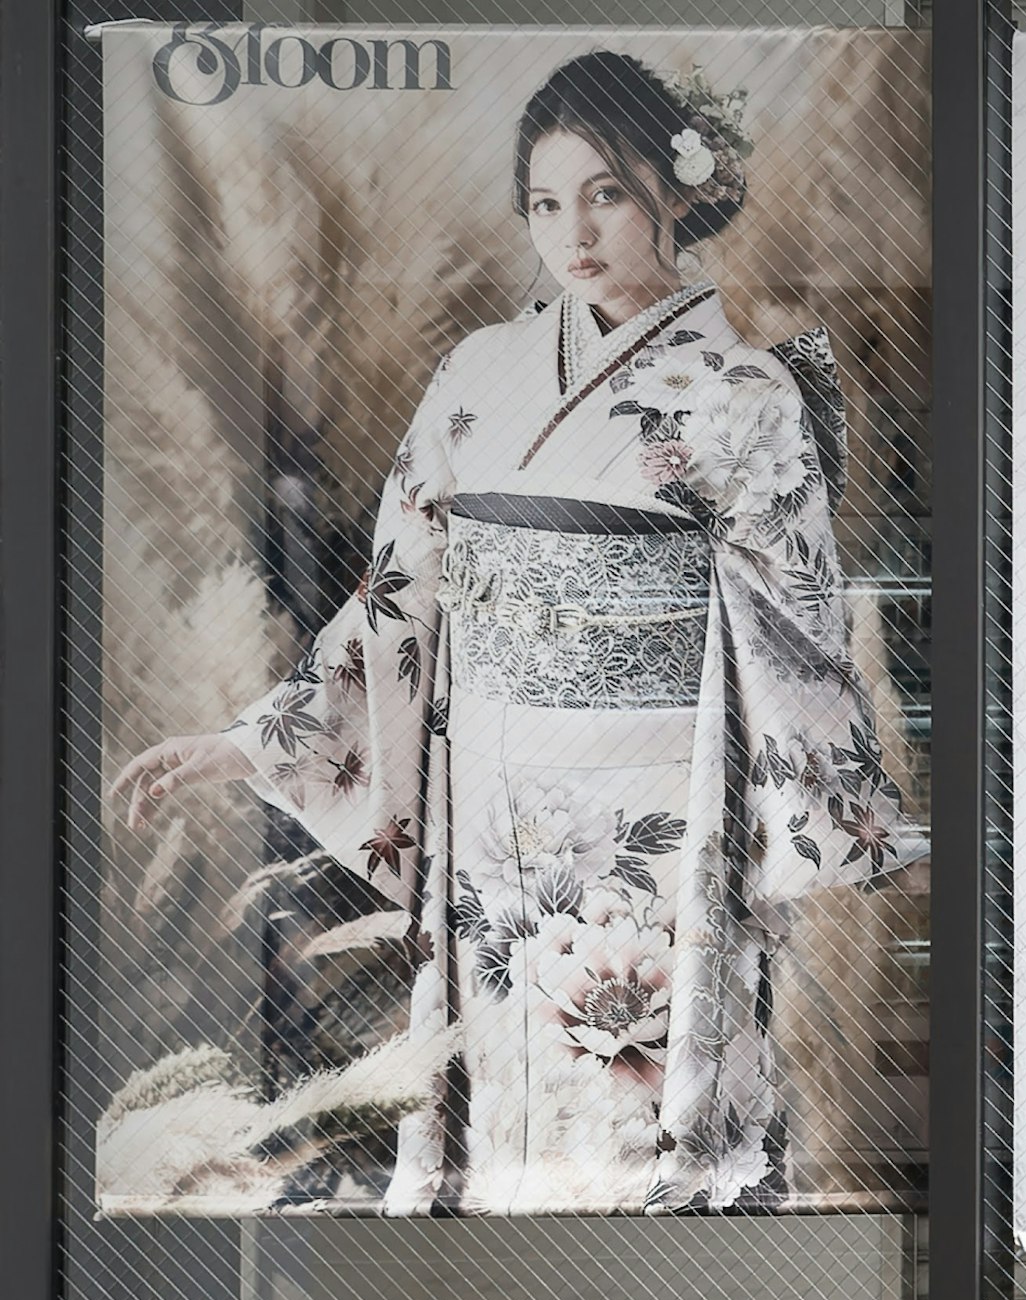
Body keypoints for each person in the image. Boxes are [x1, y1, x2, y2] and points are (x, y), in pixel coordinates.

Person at [104, 49, 915, 1215]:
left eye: (605, 194)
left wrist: (811, 808)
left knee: (649, 1106)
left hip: (657, 797)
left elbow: (796, 616)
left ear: (673, 194)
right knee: (505, 1111)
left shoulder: (746, 392)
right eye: (545, 203)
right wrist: (247, 743)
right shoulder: (477, 373)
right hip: (493, 803)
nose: (572, 232)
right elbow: (398, 589)